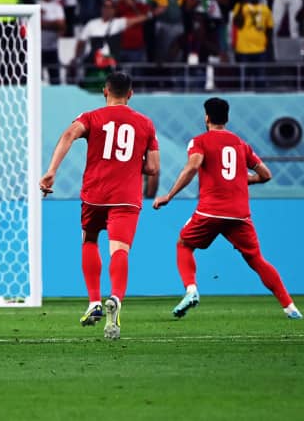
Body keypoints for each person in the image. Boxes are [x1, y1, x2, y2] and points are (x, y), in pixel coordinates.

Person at [152, 98, 301, 320]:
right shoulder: (241, 145)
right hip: (239, 214)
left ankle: (191, 290)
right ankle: (290, 307)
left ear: (206, 117)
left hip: (211, 211)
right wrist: (241, 179)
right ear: (227, 118)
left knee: (184, 244)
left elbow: (193, 165)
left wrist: (169, 195)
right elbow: (266, 175)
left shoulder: (199, 142)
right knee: (256, 259)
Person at [40, 72, 160, 340]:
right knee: (120, 250)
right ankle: (115, 298)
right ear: (130, 94)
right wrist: (129, 163)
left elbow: (69, 134)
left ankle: (94, 300)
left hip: (95, 194)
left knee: (90, 240)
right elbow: (153, 168)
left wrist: (51, 171)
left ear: (105, 91)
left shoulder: (91, 117)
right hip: (127, 197)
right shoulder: (146, 124)